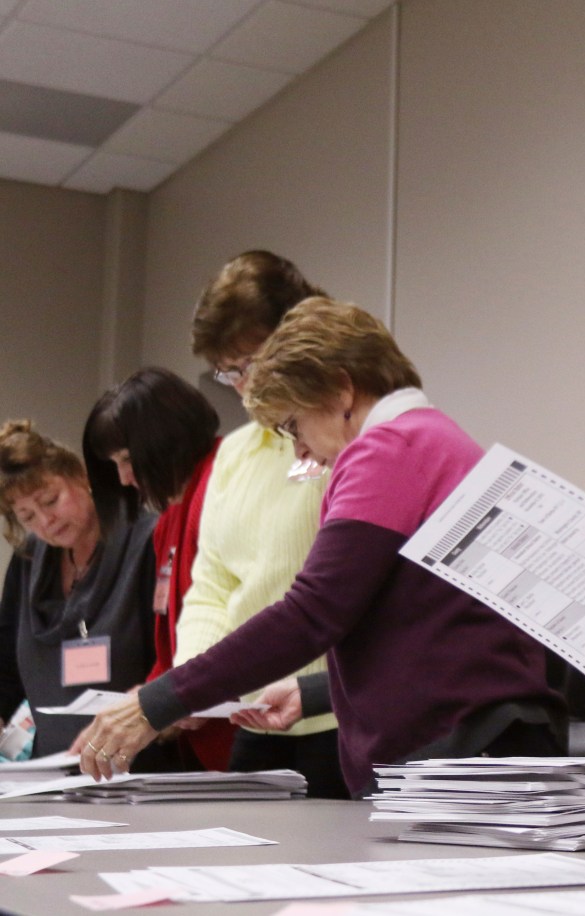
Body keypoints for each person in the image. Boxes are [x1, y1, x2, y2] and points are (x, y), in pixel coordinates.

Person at [76, 298, 566, 795]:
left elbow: (312, 613)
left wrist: (156, 703)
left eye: (293, 425)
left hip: (457, 747)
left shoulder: (388, 447)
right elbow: (421, 632)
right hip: (477, 737)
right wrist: (313, 692)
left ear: (340, 387)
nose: (300, 450)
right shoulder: (433, 439)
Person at [182, 250, 346, 798]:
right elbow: (214, 586)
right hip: (256, 715)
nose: (242, 385)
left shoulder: (345, 438)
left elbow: (344, 593)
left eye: (250, 361)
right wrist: (188, 682)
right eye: (227, 371)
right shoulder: (231, 454)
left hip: (337, 715)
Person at [80, 367, 232, 771]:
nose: (125, 479)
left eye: (128, 460)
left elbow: (239, 622)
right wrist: (138, 703)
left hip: (245, 735)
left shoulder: (227, 484)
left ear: (165, 439)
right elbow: (175, 641)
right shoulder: (167, 520)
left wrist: (158, 703)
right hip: (202, 742)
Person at [0, 421, 157, 761]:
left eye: (51, 500)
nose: (45, 521)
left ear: (82, 476)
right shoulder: (28, 560)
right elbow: (7, 667)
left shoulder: (146, 542)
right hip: (52, 770)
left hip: (142, 766)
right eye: (27, 516)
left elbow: (174, 662)